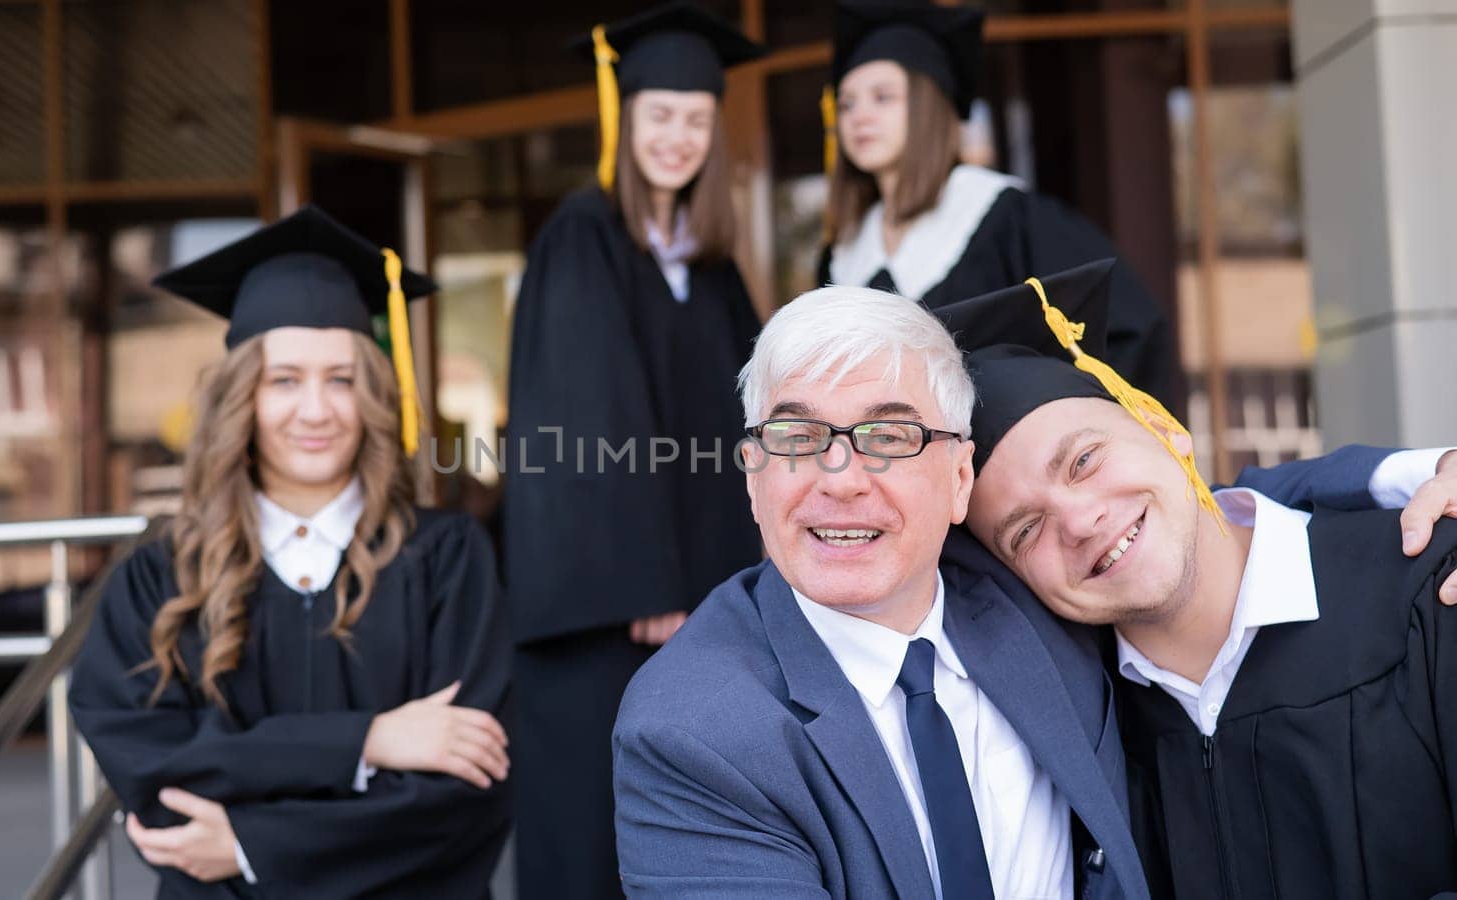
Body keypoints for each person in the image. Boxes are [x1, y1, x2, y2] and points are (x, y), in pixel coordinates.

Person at [611, 278, 1455, 899]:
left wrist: (1413, 472)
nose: (841, 476)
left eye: (889, 435)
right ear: (751, 471)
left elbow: (1200, 515)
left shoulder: (1426, 601)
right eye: (797, 437)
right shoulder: (696, 732)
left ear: (952, 483)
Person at [954, 261, 1457, 898]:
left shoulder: (1430, 591)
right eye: (1025, 531)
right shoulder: (1085, 734)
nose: (1079, 522)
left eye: (1084, 460)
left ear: (1166, 429)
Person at [69, 206, 511, 898]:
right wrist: (367, 742)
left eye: (340, 379)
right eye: (284, 380)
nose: (316, 410)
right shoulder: (163, 578)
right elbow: (158, 778)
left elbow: (466, 796)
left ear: (372, 395)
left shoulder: (446, 561)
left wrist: (250, 842)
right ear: (239, 398)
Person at [502, 3, 764, 896]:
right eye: (659, 115)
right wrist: (647, 584)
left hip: (701, 602)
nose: (678, 137)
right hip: (613, 617)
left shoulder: (714, 266)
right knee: (592, 837)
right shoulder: (584, 237)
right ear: (623, 119)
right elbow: (584, 417)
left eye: (696, 120)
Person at [817, 0, 1173, 398]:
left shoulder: (1005, 218)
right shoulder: (844, 253)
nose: (859, 116)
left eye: (882, 97)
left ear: (928, 107)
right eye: (846, 103)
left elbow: (1129, 327)